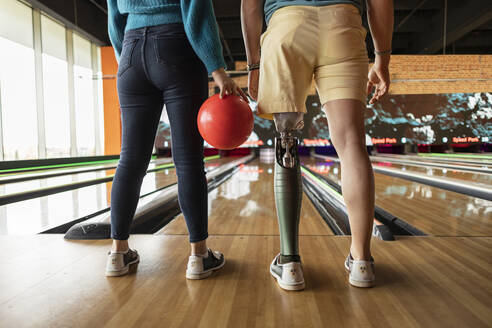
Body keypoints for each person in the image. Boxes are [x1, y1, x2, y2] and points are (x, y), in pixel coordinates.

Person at [241, 0, 393, 290]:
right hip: (343, 24)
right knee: (351, 146)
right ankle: (362, 261)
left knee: (286, 141)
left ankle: (290, 264)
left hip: (287, 26)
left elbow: (250, 5)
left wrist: (254, 65)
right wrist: (382, 59)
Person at [105, 0, 245, 278]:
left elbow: (113, 15)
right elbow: (196, 9)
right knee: (189, 161)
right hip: (177, 44)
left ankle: (118, 254)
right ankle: (199, 257)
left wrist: (129, 58)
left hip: (131, 52)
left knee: (130, 161)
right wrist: (217, 68)